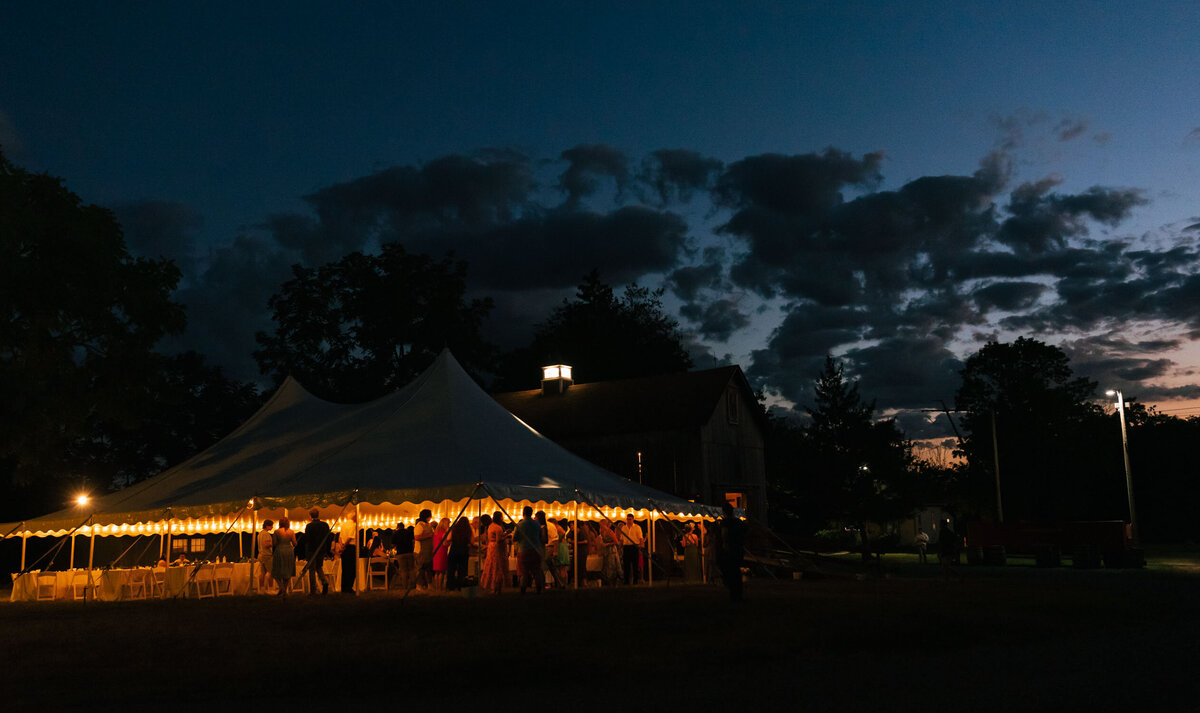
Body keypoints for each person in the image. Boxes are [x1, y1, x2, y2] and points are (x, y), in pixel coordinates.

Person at [718, 502, 745, 602]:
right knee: (736, 573)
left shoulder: (726, 522)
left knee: (729, 572)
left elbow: (724, 534)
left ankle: (734, 594)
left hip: (730, 550)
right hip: (738, 550)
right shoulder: (739, 522)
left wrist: (725, 546)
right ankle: (737, 594)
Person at [515, 506, 545, 594]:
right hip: (536, 549)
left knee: (524, 571)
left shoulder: (520, 524)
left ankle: (523, 589)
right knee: (536, 570)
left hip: (524, 550)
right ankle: (539, 589)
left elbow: (515, 538)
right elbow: (540, 536)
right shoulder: (537, 524)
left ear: (523, 513)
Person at [303, 508, 332, 595]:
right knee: (319, 567)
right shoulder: (325, 525)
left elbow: (307, 540)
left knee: (312, 569)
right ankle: (324, 581)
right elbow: (328, 538)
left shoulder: (309, 526)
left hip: (312, 550)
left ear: (310, 516)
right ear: (318, 514)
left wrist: (306, 552)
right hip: (322, 549)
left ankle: (313, 590)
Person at [480, 512, 508, 595]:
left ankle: (491, 586)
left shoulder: (490, 527)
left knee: (491, 566)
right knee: (497, 567)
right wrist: (506, 535)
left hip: (491, 547)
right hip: (497, 548)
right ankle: (497, 587)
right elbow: (499, 540)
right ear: (500, 518)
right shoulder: (498, 528)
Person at [271, 517, 297, 598]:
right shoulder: (291, 532)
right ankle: (284, 590)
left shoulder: (276, 532)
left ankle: (282, 589)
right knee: (287, 571)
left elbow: (274, 543)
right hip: (289, 551)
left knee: (277, 571)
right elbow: (295, 543)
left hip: (279, 550)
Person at [447, 516, 473, 591]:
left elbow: (448, 538)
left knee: (451, 569)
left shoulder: (454, 528)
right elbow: (472, 541)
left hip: (454, 549)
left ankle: (450, 587)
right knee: (462, 570)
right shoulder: (468, 530)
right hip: (464, 550)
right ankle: (460, 586)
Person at [619, 514, 645, 585]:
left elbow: (640, 538)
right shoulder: (624, 528)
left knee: (635, 565)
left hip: (634, 547)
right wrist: (620, 547)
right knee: (626, 565)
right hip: (626, 547)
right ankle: (626, 581)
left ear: (633, 519)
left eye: (630, 519)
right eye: (627, 519)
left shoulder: (637, 527)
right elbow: (621, 539)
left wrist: (640, 547)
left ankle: (635, 581)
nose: (629, 521)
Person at [413, 509, 434, 590]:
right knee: (420, 569)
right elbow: (417, 537)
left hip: (428, 551)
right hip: (420, 551)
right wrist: (428, 536)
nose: (431, 517)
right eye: (430, 515)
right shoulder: (419, 525)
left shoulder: (428, 525)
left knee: (429, 569)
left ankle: (429, 584)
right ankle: (419, 585)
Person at [597, 519, 622, 586]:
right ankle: (608, 583)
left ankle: (612, 583)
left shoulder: (609, 531)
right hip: (606, 552)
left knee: (612, 568)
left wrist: (608, 544)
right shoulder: (602, 532)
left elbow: (616, 542)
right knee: (606, 568)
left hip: (612, 551)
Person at [393, 522, 415, 590]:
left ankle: (405, 587)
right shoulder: (408, 532)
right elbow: (413, 541)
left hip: (400, 553)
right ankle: (413, 586)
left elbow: (393, 544)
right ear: (404, 526)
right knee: (411, 569)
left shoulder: (395, 533)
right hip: (409, 552)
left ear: (398, 527)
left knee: (403, 571)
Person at [432, 517, 451, 590]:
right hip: (442, 552)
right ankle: (440, 587)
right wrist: (450, 542)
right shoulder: (444, 533)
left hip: (436, 552)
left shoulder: (436, 532)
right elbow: (445, 544)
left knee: (437, 572)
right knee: (442, 571)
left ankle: (436, 587)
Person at [256, 519, 275, 593]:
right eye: (271, 526)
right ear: (267, 526)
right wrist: (274, 543)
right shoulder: (266, 534)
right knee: (271, 572)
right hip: (267, 555)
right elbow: (267, 544)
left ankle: (262, 589)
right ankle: (270, 589)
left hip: (261, 555)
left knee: (262, 573)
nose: (272, 527)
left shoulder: (260, 534)